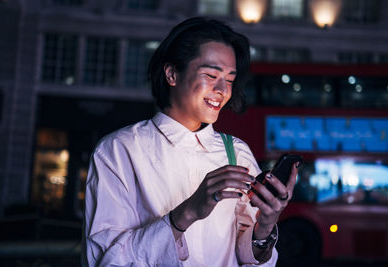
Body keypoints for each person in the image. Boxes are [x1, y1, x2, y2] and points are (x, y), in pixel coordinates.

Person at [82, 17, 299, 266]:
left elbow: (250, 257)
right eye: (210, 75)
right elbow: (104, 261)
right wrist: (186, 214)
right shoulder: (119, 151)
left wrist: (266, 225)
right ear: (172, 74)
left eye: (229, 79)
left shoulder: (236, 152)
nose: (223, 90)